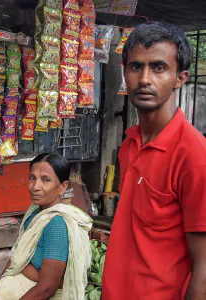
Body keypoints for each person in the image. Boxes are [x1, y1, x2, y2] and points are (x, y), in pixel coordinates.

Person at [103, 22, 206, 299]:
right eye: (136, 66)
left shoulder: (195, 156)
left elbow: (204, 267)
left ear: (180, 78)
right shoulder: (129, 144)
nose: (145, 78)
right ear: (125, 72)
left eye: (159, 68)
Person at [0, 153, 92, 300]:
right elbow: (17, 256)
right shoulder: (35, 212)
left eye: (46, 180)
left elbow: (47, 289)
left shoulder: (57, 224)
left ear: (62, 187)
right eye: (32, 178)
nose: (35, 187)